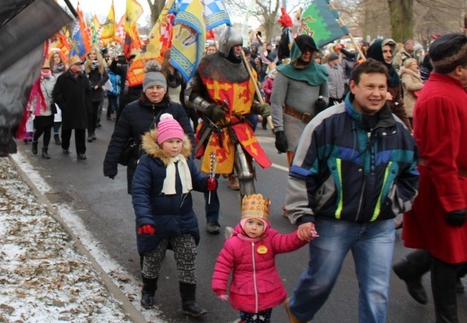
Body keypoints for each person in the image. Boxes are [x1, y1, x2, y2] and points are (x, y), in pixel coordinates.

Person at [284, 59, 419, 323]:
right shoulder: (326, 124)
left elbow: (411, 176)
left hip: (379, 227)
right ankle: (298, 310)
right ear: (353, 86)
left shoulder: (398, 130)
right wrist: (303, 215)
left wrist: (395, 204)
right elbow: (301, 173)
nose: (377, 93)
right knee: (320, 282)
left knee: (376, 292)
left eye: (382, 87)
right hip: (333, 223)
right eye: (370, 86)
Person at [396, 33, 467, 321]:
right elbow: (440, 155)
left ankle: (410, 268)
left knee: (455, 251)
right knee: (448, 258)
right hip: (444, 185)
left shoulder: (452, 89)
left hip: (455, 181)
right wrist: (453, 202)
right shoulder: (440, 97)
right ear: (459, 68)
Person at [185, 26, 273, 227]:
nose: (239, 50)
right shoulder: (207, 66)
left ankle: (249, 220)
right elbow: (189, 95)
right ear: (226, 45)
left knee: (246, 174)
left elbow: (245, 102)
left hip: (240, 128)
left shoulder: (247, 69)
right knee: (212, 179)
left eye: (240, 46)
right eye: (235, 46)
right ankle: (212, 218)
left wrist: (259, 108)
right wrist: (209, 108)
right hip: (217, 129)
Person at [132, 113, 215, 317]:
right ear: (161, 142)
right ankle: (148, 291)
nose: (175, 146)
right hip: (157, 220)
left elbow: (196, 180)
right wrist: (145, 218)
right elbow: (140, 191)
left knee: (188, 256)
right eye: (170, 141)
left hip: (183, 219)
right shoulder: (148, 162)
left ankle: (189, 301)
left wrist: (207, 184)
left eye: (178, 141)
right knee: (153, 257)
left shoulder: (185, 161)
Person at [212, 194, 311, 323]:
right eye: (250, 222)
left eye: (259, 224)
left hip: (267, 291)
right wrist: (219, 287)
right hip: (244, 293)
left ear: (265, 226)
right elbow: (222, 266)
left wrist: (301, 236)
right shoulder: (233, 243)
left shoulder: (270, 238)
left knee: (264, 320)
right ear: (243, 223)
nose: (254, 227)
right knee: (250, 320)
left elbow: (286, 242)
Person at [104, 61, 193, 193]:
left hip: (170, 167)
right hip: (139, 167)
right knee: (142, 207)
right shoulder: (131, 110)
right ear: (145, 89)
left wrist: (188, 162)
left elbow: (188, 138)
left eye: (159, 87)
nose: (155, 91)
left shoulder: (176, 110)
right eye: (151, 87)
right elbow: (118, 138)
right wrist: (110, 165)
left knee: (166, 207)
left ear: (165, 89)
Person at [270, 35, 329, 171]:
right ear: (297, 51)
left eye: (310, 50)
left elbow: (326, 96)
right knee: (297, 171)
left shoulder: (320, 72)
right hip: (293, 125)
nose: (307, 53)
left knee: (316, 170)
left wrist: (323, 103)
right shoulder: (284, 73)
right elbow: (276, 103)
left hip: (314, 125)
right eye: (304, 50)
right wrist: (279, 131)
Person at [365, 38, 412, 132]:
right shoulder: (365, 73)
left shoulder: (393, 74)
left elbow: (399, 106)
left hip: (390, 125)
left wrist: (408, 130)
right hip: (371, 126)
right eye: (385, 51)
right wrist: (380, 95)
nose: (389, 55)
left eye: (390, 51)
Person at [51, 55, 91, 159]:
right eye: (77, 64)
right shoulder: (63, 78)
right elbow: (56, 94)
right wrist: (63, 105)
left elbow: (88, 92)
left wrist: (86, 104)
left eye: (80, 64)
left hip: (81, 108)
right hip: (68, 109)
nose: (80, 66)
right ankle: (65, 146)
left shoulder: (84, 78)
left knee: (81, 131)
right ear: (71, 66)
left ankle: (81, 152)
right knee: (66, 129)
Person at [29, 58, 56, 159]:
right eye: (43, 68)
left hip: (49, 108)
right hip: (38, 109)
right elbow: (31, 95)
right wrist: (30, 109)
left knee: (48, 130)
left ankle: (45, 149)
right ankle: (35, 141)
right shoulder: (35, 79)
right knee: (40, 129)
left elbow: (56, 92)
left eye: (47, 68)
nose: (45, 70)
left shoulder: (53, 79)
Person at [84, 47, 109, 142]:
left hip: (97, 92)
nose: (92, 56)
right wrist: (90, 85)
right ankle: (89, 132)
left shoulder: (100, 65)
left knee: (95, 114)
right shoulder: (85, 65)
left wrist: (98, 85)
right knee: (89, 113)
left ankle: (93, 131)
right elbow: (83, 77)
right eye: (90, 54)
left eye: (94, 54)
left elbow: (106, 76)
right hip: (88, 92)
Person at [399, 57, 423, 127]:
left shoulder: (416, 73)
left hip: (416, 100)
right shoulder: (406, 75)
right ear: (409, 65)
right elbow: (409, 86)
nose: (417, 66)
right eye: (414, 64)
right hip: (410, 101)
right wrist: (422, 85)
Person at [49, 50, 66, 145]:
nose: (57, 59)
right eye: (55, 57)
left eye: (58, 57)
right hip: (53, 95)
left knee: (61, 116)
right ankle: (56, 133)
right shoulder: (49, 70)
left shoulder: (64, 69)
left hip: (63, 95)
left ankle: (58, 133)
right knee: (56, 116)